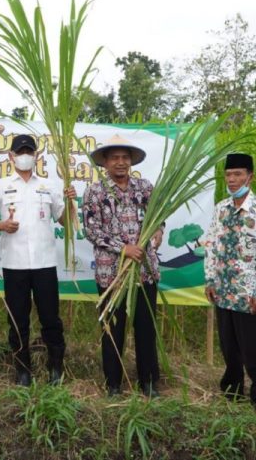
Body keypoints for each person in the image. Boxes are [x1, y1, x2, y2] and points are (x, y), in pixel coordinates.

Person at [0, 134, 76, 386]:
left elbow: (65, 222)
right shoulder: (0, 186)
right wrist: (2, 224)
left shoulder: (48, 186)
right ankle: (23, 370)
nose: (24, 156)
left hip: (45, 264)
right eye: (20, 151)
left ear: (36, 156)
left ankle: (56, 368)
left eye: (29, 151)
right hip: (14, 264)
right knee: (17, 320)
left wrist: (71, 202)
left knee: (50, 319)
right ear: (11, 156)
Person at [82, 135, 163, 397]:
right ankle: (113, 385)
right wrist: (124, 248)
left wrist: (158, 232)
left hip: (144, 271)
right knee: (113, 330)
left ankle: (148, 383)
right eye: (114, 157)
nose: (120, 162)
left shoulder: (145, 188)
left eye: (125, 158)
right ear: (105, 162)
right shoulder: (95, 192)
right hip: (111, 275)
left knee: (146, 329)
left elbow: (159, 218)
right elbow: (92, 230)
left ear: (131, 161)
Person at [204, 153, 256, 410]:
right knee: (229, 345)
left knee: (255, 348)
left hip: (250, 292)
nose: (232, 180)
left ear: (250, 177)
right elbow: (211, 245)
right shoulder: (220, 209)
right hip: (224, 290)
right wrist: (210, 279)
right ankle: (232, 390)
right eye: (228, 175)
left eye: (237, 174)